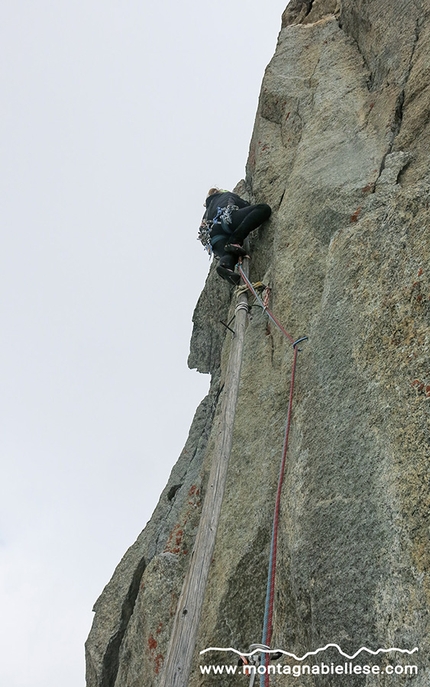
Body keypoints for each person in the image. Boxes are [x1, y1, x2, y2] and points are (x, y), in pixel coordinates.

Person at [198, 188, 271, 285]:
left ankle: (226, 267)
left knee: (228, 253)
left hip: (213, 238)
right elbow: (244, 205)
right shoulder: (226, 195)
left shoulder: (206, 213)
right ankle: (235, 239)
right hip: (226, 220)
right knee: (263, 209)